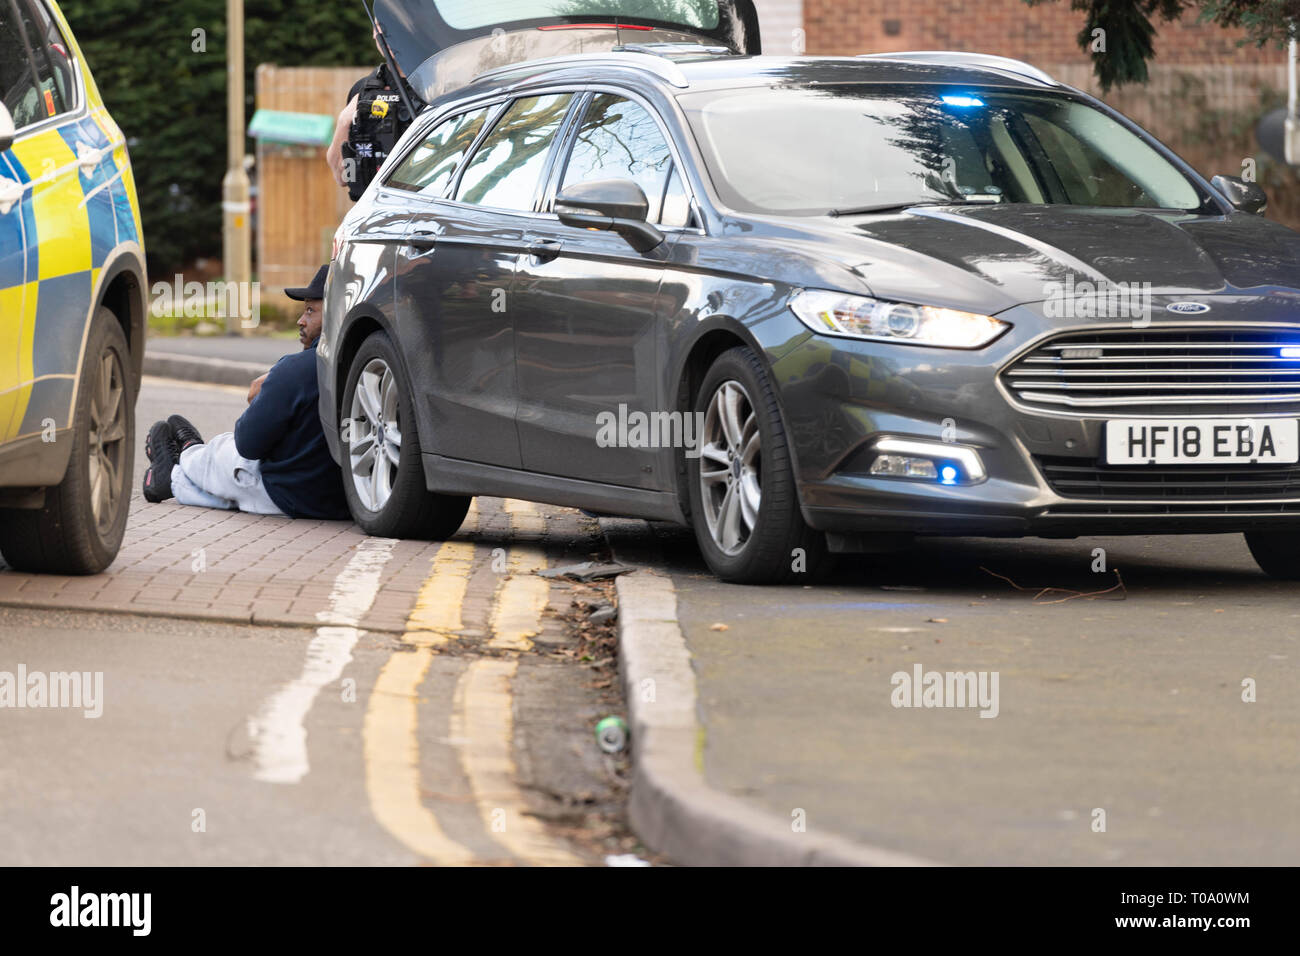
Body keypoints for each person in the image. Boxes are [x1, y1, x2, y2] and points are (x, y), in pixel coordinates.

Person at [141, 266, 350, 521]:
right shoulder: (376, 369)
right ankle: (184, 460)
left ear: (337, 314)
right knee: (233, 482)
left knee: (227, 451)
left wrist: (262, 397)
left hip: (288, 496)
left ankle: (181, 463)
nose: (300, 320)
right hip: (346, 505)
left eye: (310, 310)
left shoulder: (297, 371)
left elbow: (249, 444)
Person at [326, 22, 421, 200]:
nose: (385, 34)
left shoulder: (435, 85)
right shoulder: (364, 89)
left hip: (422, 208)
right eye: (379, 27)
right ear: (373, 34)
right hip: (374, 211)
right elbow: (341, 177)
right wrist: (344, 121)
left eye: (393, 23)